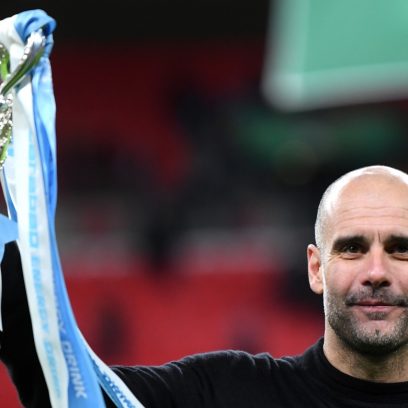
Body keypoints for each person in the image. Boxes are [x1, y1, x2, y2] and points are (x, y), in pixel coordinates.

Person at [3, 164, 408, 407]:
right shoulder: (228, 393)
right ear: (316, 269)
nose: (376, 271)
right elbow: (72, 392)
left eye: (400, 249)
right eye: (352, 249)